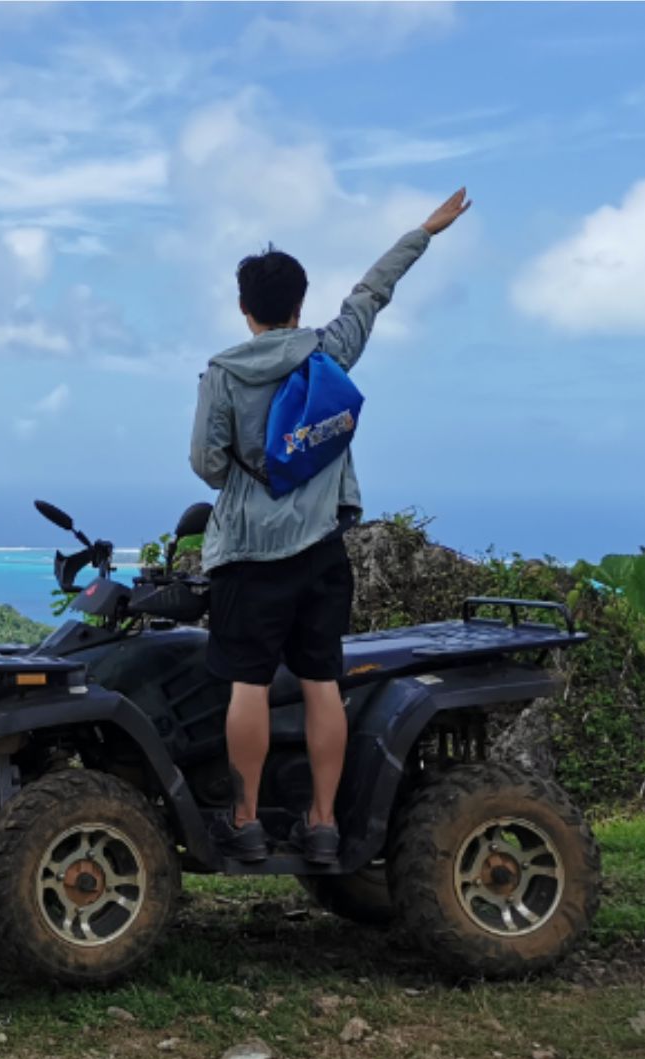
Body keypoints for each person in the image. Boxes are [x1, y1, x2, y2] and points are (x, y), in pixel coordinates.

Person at [187, 189, 472, 866]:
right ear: (298, 304)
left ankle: (246, 821)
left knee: (249, 685)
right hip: (320, 553)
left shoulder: (222, 374)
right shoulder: (328, 351)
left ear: (244, 308)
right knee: (321, 683)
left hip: (248, 556)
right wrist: (423, 231)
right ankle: (321, 824)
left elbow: (205, 465)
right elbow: (371, 293)